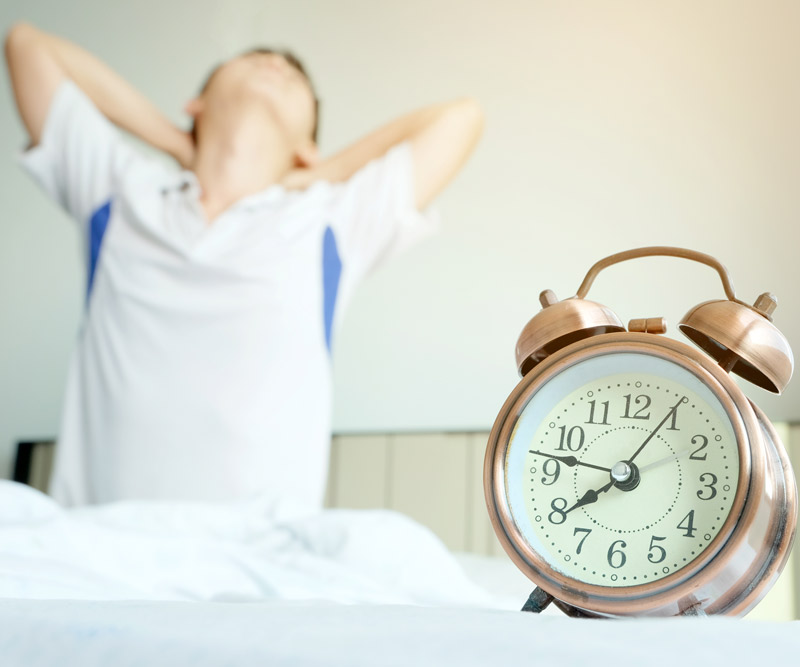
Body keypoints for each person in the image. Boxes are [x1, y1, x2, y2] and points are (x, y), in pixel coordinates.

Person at [4, 22, 484, 516]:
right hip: (99, 542)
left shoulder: (329, 221)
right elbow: (26, 45)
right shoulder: (122, 191)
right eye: (255, 59)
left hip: (257, 559)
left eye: (297, 80)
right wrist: (175, 141)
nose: (277, 63)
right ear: (196, 103)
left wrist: (319, 173)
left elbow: (460, 118)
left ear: (307, 146)